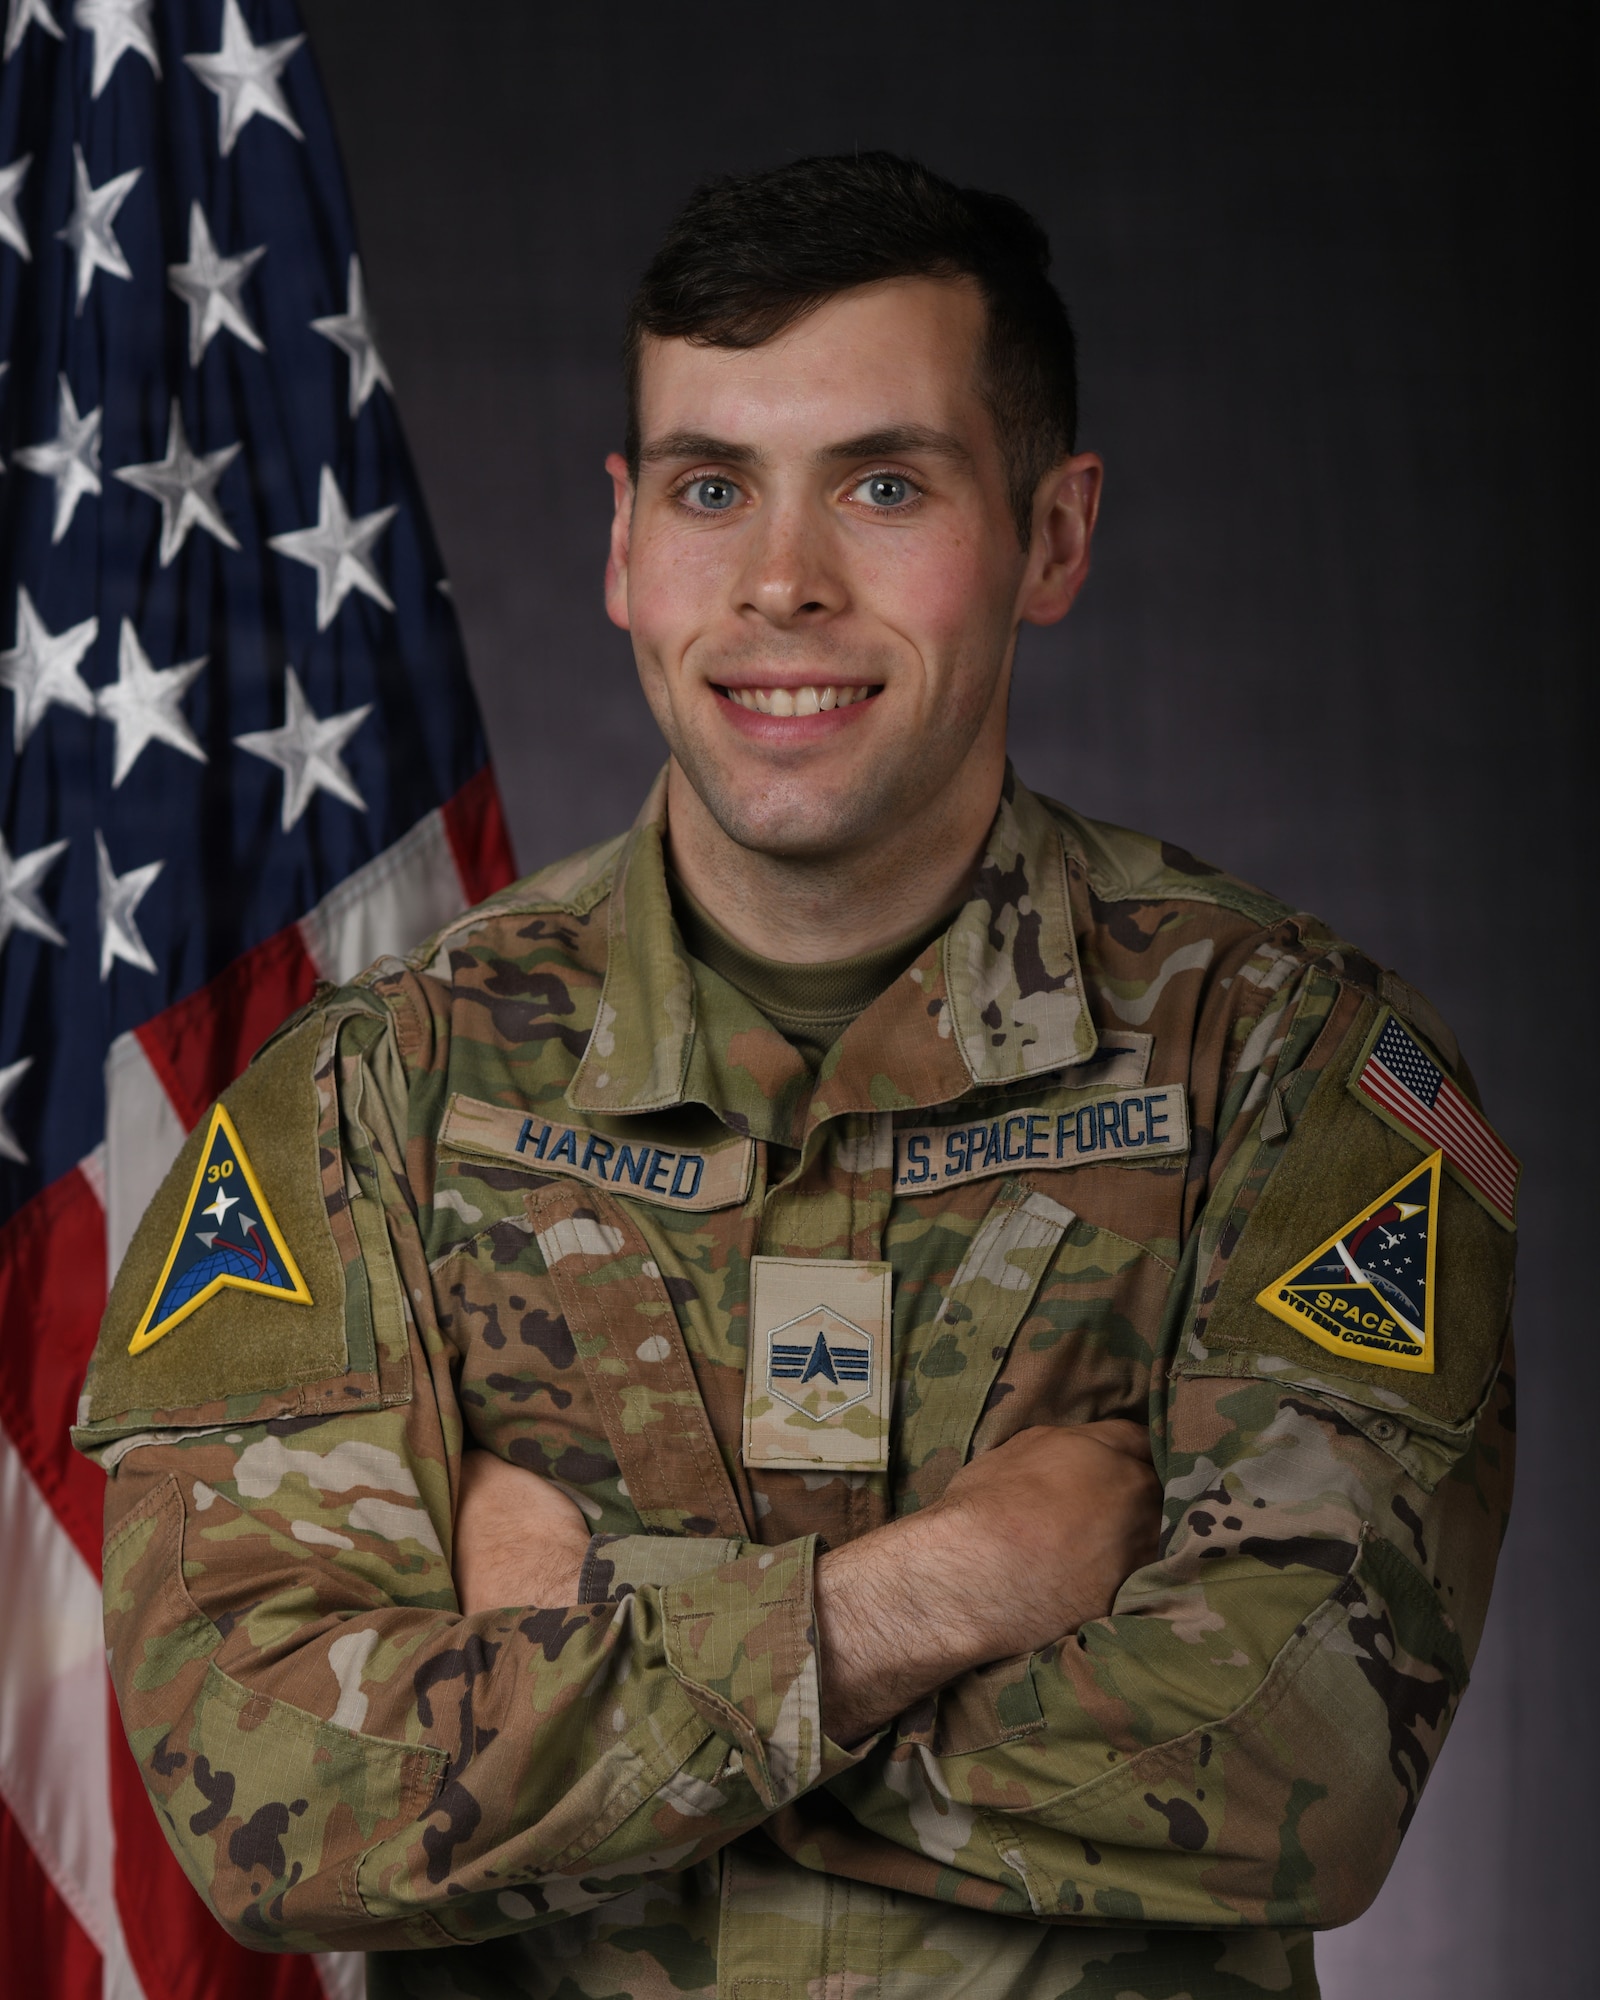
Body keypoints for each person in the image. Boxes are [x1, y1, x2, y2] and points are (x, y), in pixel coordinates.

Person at [75, 153, 1516, 2000]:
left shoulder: (1295, 1067)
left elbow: (1290, 1761)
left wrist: (575, 1637)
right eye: (709, 488)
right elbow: (271, 1795)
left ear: (1054, 537)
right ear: (622, 545)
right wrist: (925, 1603)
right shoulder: (377, 1091)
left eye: (887, 485)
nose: (780, 583)